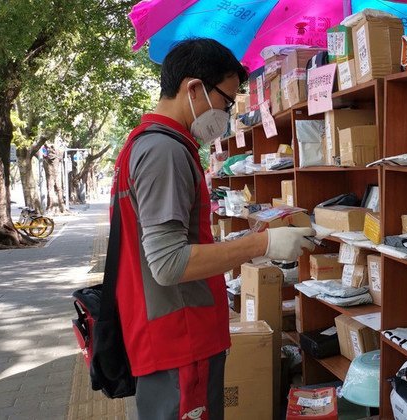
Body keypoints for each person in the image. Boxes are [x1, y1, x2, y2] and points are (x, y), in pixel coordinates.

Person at [111, 38, 315, 420]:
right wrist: (264, 242)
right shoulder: (163, 151)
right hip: (180, 340)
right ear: (193, 88)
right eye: (225, 99)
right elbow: (169, 262)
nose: (226, 112)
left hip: (168, 333)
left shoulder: (151, 144)